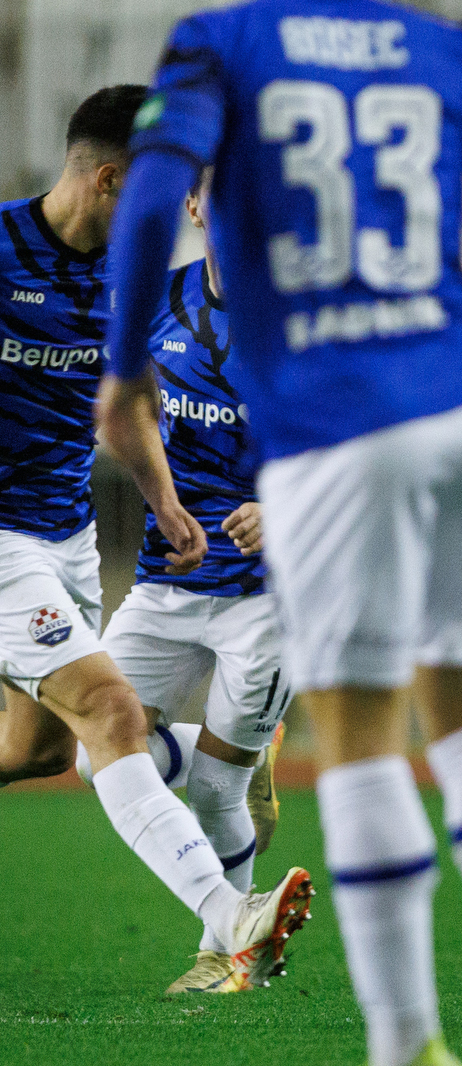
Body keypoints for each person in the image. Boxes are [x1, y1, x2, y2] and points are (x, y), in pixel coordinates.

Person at [102, 4, 462, 1064]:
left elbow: (152, 191)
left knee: (366, 742)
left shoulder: (220, 42)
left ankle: (406, 1039)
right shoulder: (447, 45)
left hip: (334, 416)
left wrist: (119, 367)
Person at [0, 85, 312, 989]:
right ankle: (230, 919)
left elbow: (124, 402)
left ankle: (229, 876)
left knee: (41, 751)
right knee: (113, 714)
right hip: (4, 541)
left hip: (68, 539)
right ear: (111, 180)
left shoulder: (129, 284)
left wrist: (163, 500)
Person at [76, 169, 300, 995]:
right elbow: (114, 413)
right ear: (198, 205)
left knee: (215, 788)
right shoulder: (146, 304)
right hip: (167, 582)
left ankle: (225, 958)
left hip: (270, 596)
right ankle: (233, 925)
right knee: (94, 753)